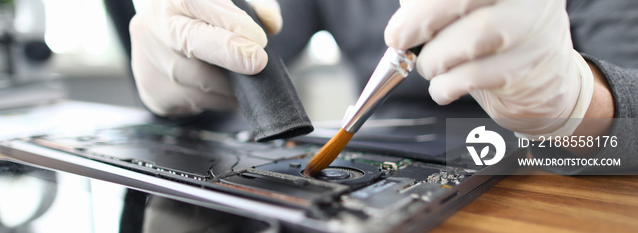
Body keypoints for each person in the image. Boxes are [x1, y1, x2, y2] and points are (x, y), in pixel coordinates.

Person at [128, 0, 637, 173]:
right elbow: (262, 39)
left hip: (550, 187)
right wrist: (184, 36)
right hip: (384, 184)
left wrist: (575, 107)